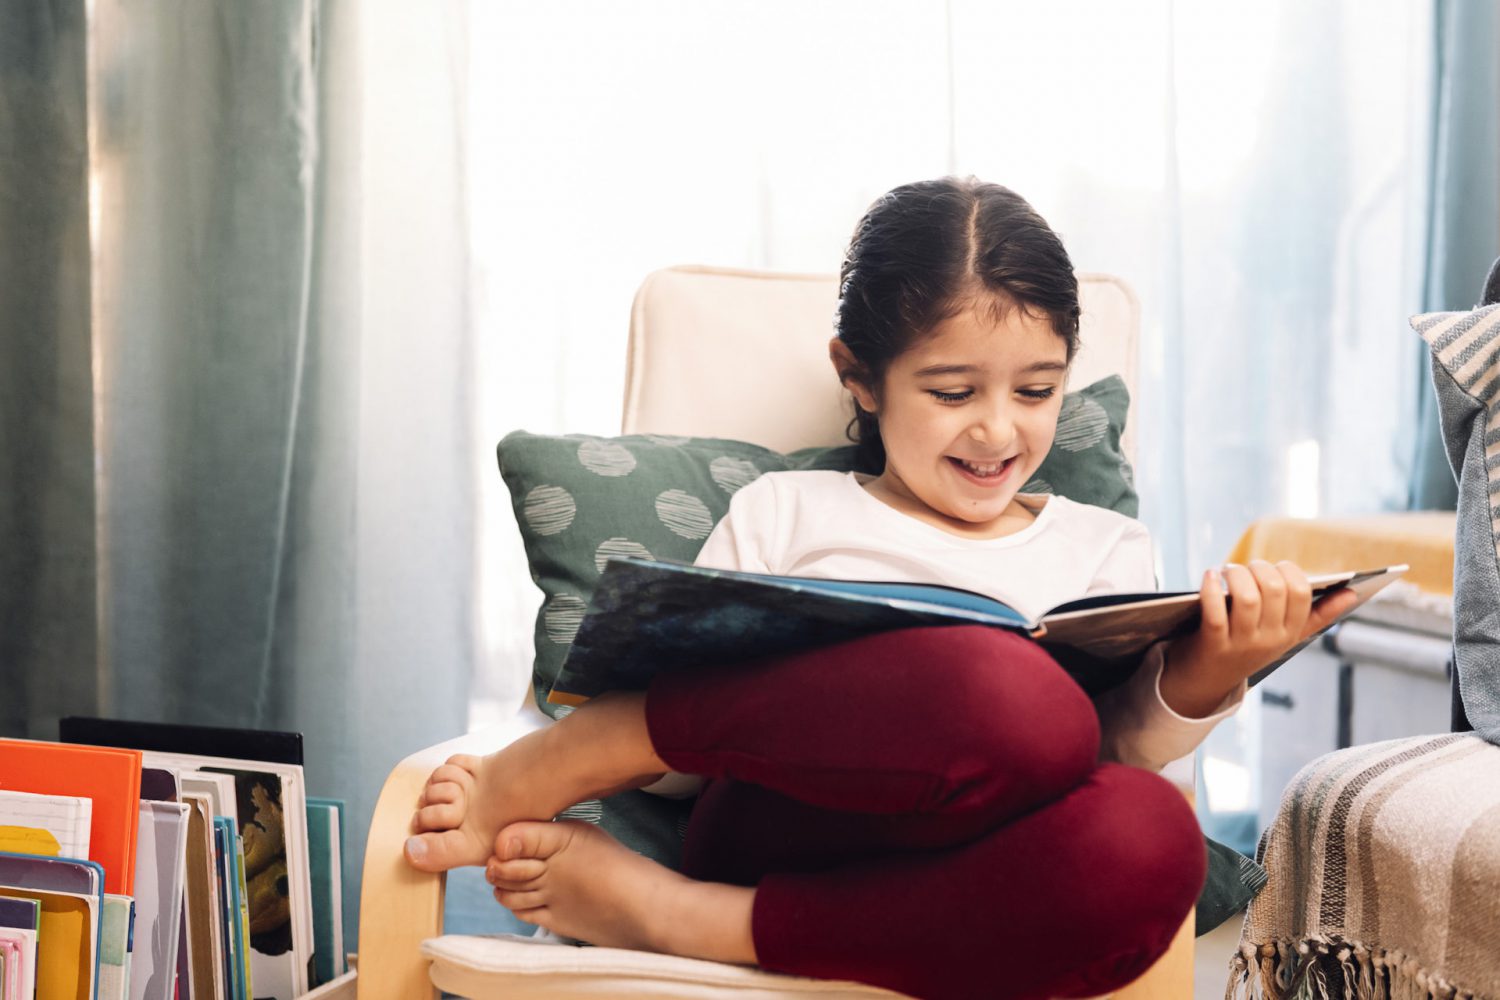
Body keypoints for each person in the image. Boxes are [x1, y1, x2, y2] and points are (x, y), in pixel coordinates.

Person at [403, 177, 1356, 1000]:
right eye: (952, 392)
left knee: (1151, 840)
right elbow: (701, 767)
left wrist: (1204, 673)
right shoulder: (789, 513)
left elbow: (1108, 771)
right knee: (1012, 697)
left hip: (971, 879)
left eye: (1035, 391)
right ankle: (577, 750)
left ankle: (684, 920)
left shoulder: (1107, 544)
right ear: (859, 378)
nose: (997, 432)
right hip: (782, 827)